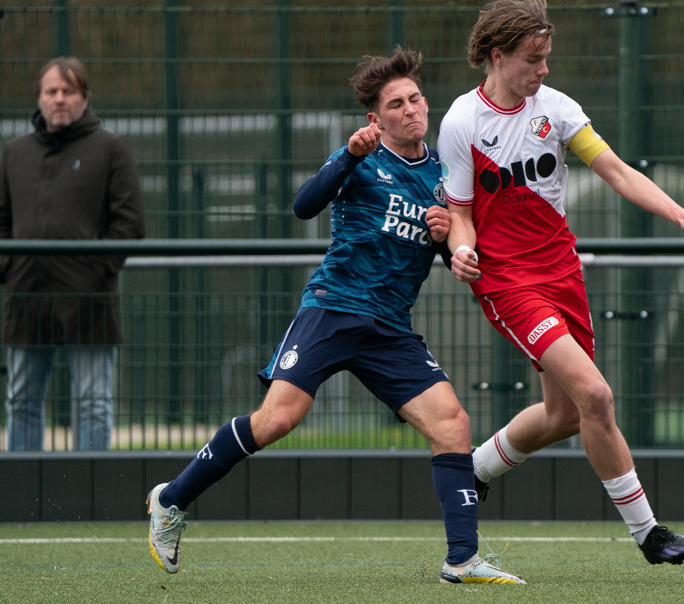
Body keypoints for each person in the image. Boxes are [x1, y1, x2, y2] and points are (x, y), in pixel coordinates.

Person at [146, 47, 525, 585]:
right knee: (276, 420)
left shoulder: (443, 178)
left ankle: (462, 559)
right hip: (333, 310)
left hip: (390, 328)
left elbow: (459, 263)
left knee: (453, 423)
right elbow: (304, 205)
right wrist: (347, 155)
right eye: (396, 104)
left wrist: (448, 241)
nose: (412, 109)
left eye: (416, 98)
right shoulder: (359, 158)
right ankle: (171, 500)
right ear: (376, 118)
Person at [437, 0, 684, 566]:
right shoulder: (462, 122)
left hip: (561, 273)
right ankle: (650, 534)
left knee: (566, 414)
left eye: (547, 57)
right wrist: (463, 252)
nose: (543, 69)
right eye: (533, 58)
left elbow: (616, 170)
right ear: (498, 55)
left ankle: (474, 469)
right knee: (596, 394)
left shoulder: (558, 109)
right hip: (507, 282)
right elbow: (461, 212)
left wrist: (679, 212)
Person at [0, 57, 145, 451]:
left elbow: (129, 226)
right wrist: (11, 269)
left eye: (69, 91)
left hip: (89, 301)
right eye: (52, 91)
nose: (60, 99)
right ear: (40, 97)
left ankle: (88, 500)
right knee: (21, 402)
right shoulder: (14, 153)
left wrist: (93, 272)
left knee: (93, 403)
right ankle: (25, 498)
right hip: (25, 297)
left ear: (85, 98)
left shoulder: (111, 149)